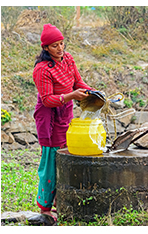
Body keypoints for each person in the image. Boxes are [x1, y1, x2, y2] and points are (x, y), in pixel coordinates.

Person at [32, 24, 95, 222]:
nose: (60, 48)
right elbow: (47, 99)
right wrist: (71, 96)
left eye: (61, 43)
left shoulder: (68, 59)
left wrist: (92, 92)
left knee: (65, 156)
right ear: (45, 48)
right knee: (50, 161)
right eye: (54, 46)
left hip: (66, 114)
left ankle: (61, 201)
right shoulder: (42, 70)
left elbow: (78, 83)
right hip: (49, 118)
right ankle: (44, 207)